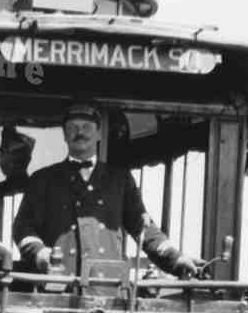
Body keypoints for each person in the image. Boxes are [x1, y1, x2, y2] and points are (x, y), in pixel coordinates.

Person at [12, 103, 201, 279]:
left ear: (99, 134)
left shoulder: (120, 180)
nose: (80, 133)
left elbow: (143, 228)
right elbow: (22, 228)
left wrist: (176, 259)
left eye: (87, 127)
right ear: (64, 135)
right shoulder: (43, 180)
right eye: (73, 127)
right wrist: (39, 253)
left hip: (107, 289)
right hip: (57, 287)